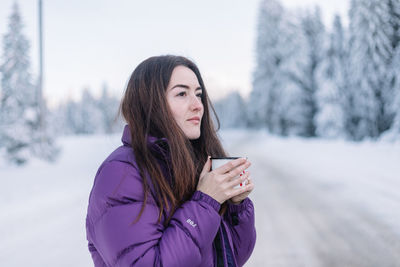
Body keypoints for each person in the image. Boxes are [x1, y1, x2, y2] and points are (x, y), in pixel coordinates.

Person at [85, 55, 256, 266]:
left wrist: (235, 207)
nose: (198, 105)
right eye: (182, 93)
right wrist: (205, 202)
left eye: (199, 94)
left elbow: (231, 258)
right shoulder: (121, 173)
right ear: (150, 103)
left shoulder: (192, 163)